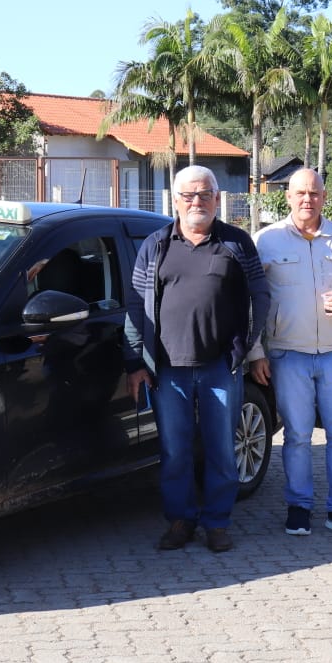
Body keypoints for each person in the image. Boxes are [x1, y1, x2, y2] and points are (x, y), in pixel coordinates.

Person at [124, 166, 270, 553]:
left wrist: (245, 347)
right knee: (175, 450)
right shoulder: (155, 245)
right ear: (175, 201)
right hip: (167, 371)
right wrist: (136, 362)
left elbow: (261, 296)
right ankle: (180, 520)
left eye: (204, 194)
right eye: (188, 196)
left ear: (217, 199)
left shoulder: (237, 243)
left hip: (220, 367)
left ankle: (217, 523)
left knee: (222, 448)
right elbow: (135, 308)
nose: (196, 202)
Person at [251, 168, 332, 538]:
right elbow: (251, 301)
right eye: (300, 193)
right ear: (287, 197)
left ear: (324, 196)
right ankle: (299, 507)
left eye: (315, 193)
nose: (308, 199)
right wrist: (256, 351)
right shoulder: (266, 241)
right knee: (298, 435)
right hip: (288, 354)